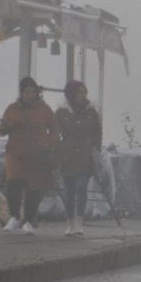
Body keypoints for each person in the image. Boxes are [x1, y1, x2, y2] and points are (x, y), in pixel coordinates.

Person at [0, 77, 58, 235]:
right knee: (14, 183)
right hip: (15, 153)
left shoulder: (45, 109)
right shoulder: (12, 108)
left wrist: (49, 145)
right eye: (26, 91)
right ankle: (14, 217)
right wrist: (5, 127)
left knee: (34, 188)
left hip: (37, 154)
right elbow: (1, 130)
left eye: (32, 91)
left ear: (37, 93)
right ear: (21, 93)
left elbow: (55, 129)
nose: (30, 94)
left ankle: (29, 220)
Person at [55, 79, 102, 237]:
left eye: (84, 92)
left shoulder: (91, 111)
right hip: (67, 156)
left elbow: (97, 131)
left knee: (81, 187)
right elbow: (55, 131)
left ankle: (79, 221)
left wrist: (96, 148)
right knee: (69, 190)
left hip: (85, 155)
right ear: (71, 94)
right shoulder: (62, 112)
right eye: (79, 92)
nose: (82, 95)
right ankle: (70, 223)